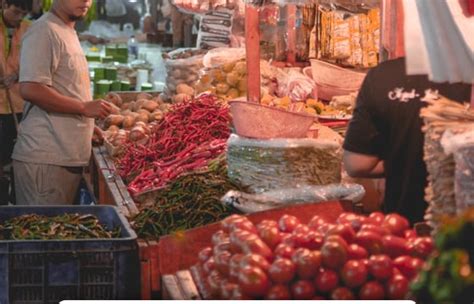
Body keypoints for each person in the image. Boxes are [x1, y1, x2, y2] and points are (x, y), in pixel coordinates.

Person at [343, 57, 471, 224]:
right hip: (463, 223)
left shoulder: (384, 76)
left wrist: (401, 159)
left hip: (405, 227)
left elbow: (357, 164)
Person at [12, 0, 112, 205]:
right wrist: (83, 108)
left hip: (63, 155)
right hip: (46, 159)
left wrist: (85, 126)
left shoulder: (66, 30)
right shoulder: (44, 31)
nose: (86, 1)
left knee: (59, 233)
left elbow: (65, 87)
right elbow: (31, 88)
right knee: (44, 234)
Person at [0, 0, 33, 205]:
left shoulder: (30, 29)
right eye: (15, 12)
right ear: (3, 4)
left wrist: (18, 74)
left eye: (22, 14)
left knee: (18, 158)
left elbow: (36, 62)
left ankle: (16, 202)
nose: (18, 18)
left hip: (21, 104)